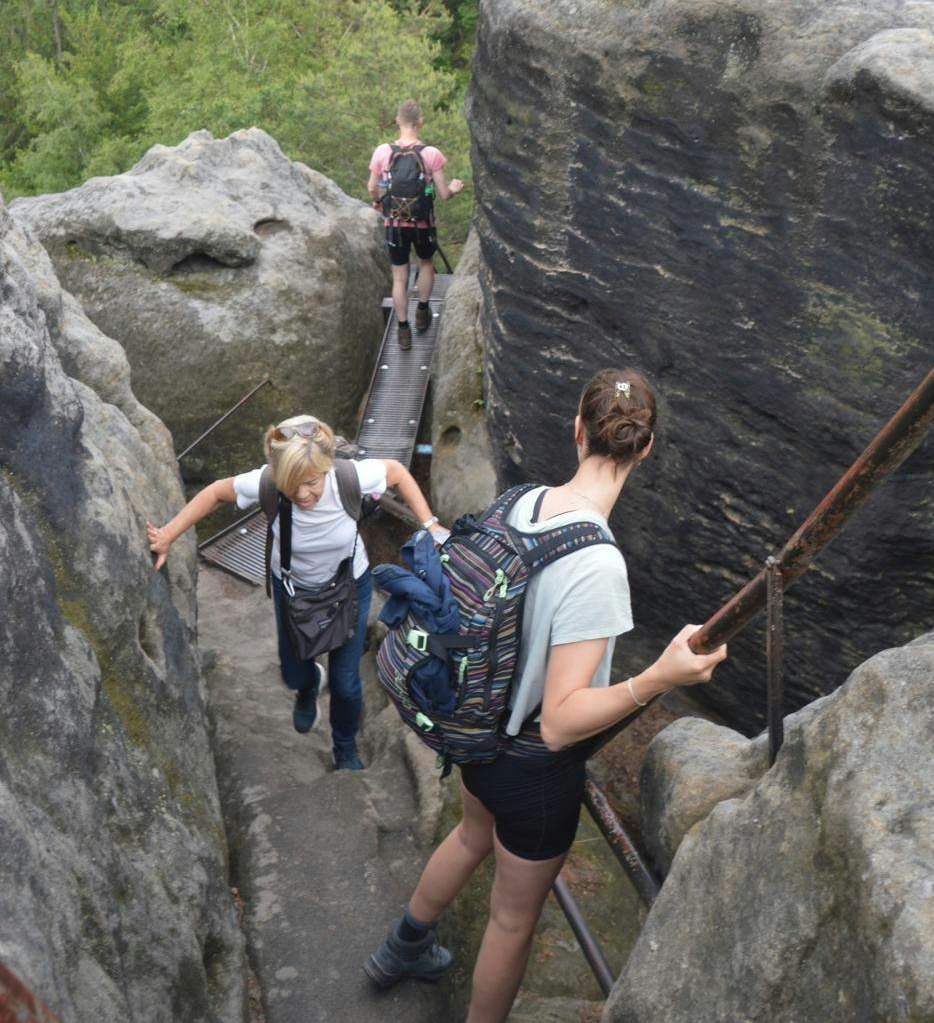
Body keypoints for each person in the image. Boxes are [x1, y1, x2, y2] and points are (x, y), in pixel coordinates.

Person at [364, 370, 728, 1019]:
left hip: (474, 728)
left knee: (471, 836)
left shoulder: (519, 501)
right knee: (510, 920)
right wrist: (658, 678)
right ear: (645, 448)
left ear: (577, 430)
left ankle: (401, 948)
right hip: (532, 770)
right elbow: (561, 722)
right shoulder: (598, 562)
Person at [147, 414, 447, 772]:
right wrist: (168, 535)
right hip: (291, 589)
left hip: (349, 586)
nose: (303, 495)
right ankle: (308, 684)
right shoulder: (267, 481)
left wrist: (430, 525)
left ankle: (345, 749)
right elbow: (215, 493)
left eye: (311, 483)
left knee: (346, 683)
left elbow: (396, 472)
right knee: (292, 671)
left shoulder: (348, 477)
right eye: (292, 487)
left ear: (325, 468)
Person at [368, 98, 464, 351]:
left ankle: (403, 329)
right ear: (420, 122)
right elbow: (443, 194)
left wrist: (378, 202)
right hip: (423, 224)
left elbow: (372, 187)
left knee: (399, 278)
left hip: (395, 225)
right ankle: (422, 311)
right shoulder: (431, 154)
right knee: (426, 264)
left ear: (397, 120)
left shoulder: (382, 152)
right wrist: (454, 188)